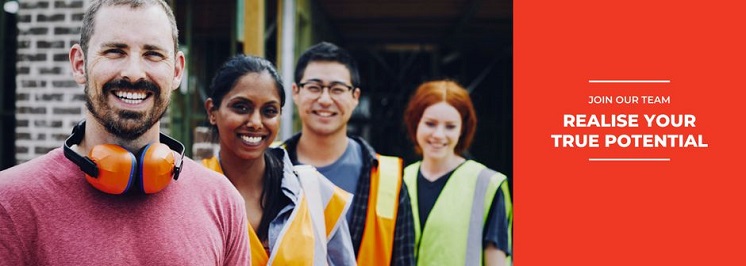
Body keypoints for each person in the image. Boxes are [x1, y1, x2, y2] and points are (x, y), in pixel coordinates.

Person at [0, 0, 249, 264]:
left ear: (176, 70)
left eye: (153, 54)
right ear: (79, 64)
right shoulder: (10, 202)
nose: (133, 73)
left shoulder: (222, 202)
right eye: (115, 51)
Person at [201, 54, 356, 265]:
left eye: (269, 111)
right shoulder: (191, 193)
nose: (256, 122)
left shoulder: (314, 193)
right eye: (241, 107)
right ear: (212, 111)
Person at [281, 42, 415, 266]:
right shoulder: (267, 166)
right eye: (314, 87)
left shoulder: (388, 180)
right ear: (295, 92)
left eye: (337, 89)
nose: (325, 99)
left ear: (355, 96)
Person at [402, 80, 513, 266]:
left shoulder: (485, 184)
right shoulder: (399, 180)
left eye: (450, 126)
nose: (438, 134)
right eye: (430, 124)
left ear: (462, 130)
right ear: (416, 123)